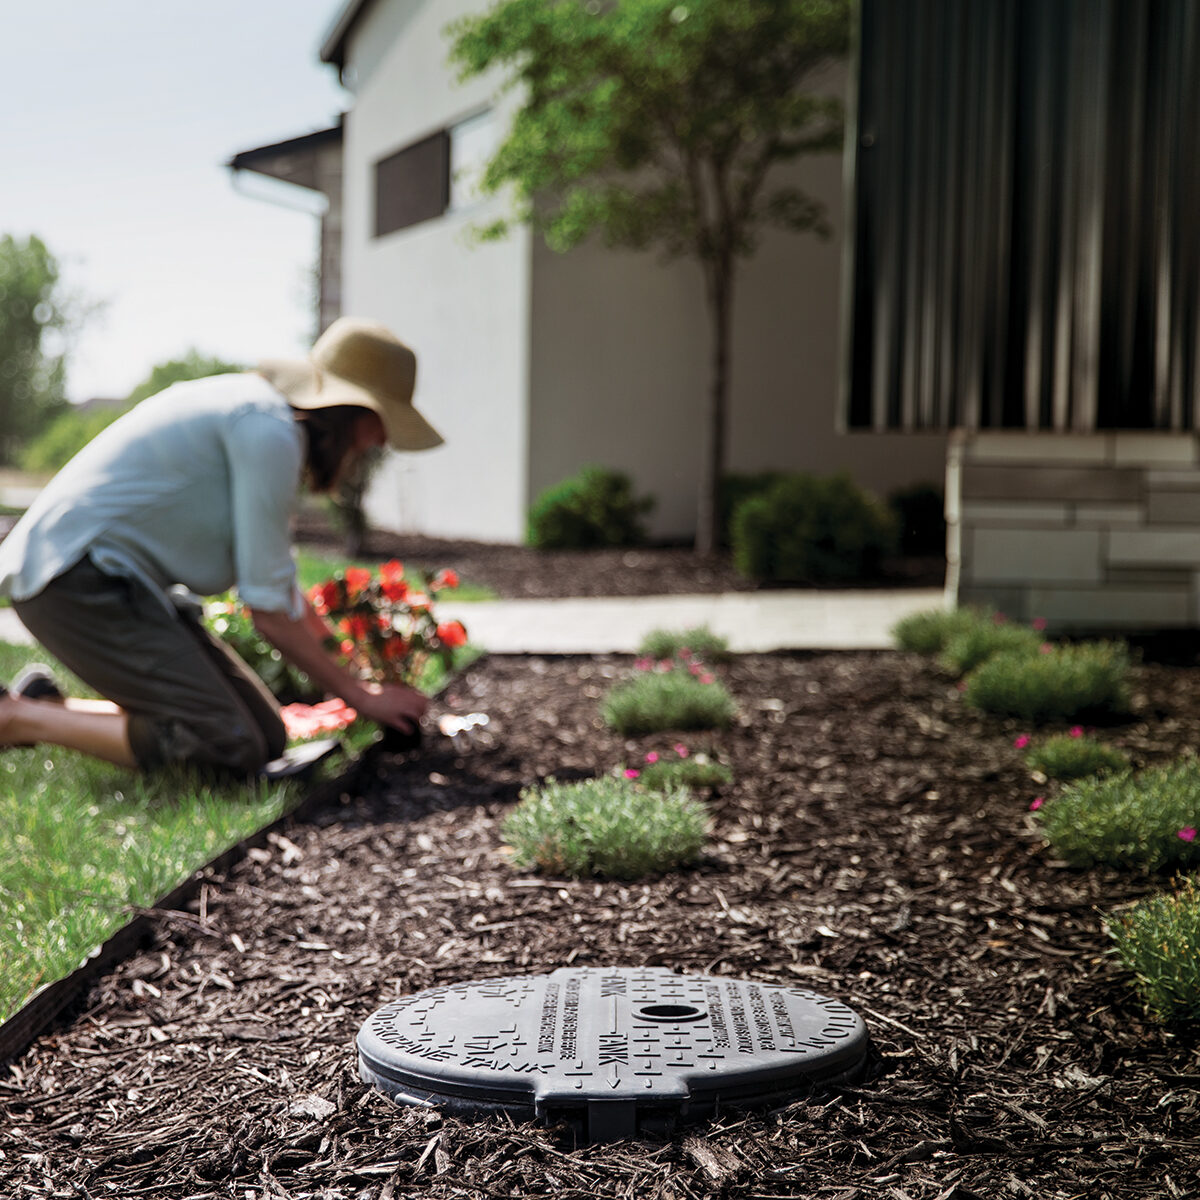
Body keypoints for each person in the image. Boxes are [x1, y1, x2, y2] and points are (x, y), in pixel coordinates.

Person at [0, 317, 442, 776]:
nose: (384, 440)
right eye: (381, 421)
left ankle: (44, 706)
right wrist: (362, 697)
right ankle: (14, 719)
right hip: (73, 580)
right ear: (351, 411)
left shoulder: (266, 420)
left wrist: (354, 670)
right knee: (228, 746)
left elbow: (279, 583)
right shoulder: (268, 432)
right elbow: (269, 613)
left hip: (110, 580)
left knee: (266, 736)